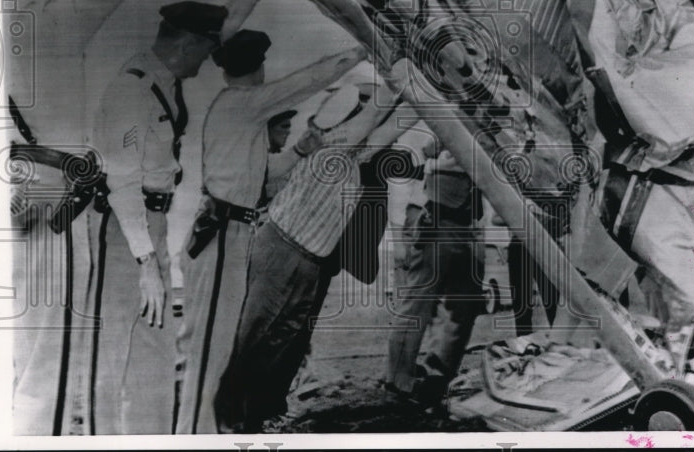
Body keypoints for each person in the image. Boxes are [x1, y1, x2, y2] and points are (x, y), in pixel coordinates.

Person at [5, 0, 156, 436]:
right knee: (55, 361)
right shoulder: (62, 19)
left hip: (12, 193)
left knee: (27, 350)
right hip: (55, 202)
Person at [89, 0, 276, 435]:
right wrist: (147, 265)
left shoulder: (165, 75)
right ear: (186, 44)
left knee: (153, 350)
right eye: (204, 50)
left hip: (145, 226)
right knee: (114, 353)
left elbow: (224, 20)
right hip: (123, 231)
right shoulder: (131, 91)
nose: (206, 63)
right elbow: (123, 186)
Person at [175, 32, 365, 434]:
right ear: (258, 67)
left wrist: (299, 151)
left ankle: (224, 422)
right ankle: (205, 426)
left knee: (235, 338)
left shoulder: (235, 108)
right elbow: (310, 79)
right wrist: (363, 48)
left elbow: (264, 181)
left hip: (233, 229)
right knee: (227, 340)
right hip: (224, 232)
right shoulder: (244, 104)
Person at [215, 79, 414, 432]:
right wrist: (405, 76)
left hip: (307, 261)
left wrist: (431, 96)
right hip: (281, 252)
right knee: (252, 340)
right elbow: (374, 116)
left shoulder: (354, 155)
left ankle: (252, 420)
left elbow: (388, 127)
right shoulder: (334, 145)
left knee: (279, 340)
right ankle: (227, 423)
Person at [385, 144, 486, 405]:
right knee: (418, 302)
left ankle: (438, 376)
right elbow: (427, 154)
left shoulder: (481, 132)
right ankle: (399, 378)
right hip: (437, 220)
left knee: (465, 304)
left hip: (467, 224)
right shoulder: (447, 122)